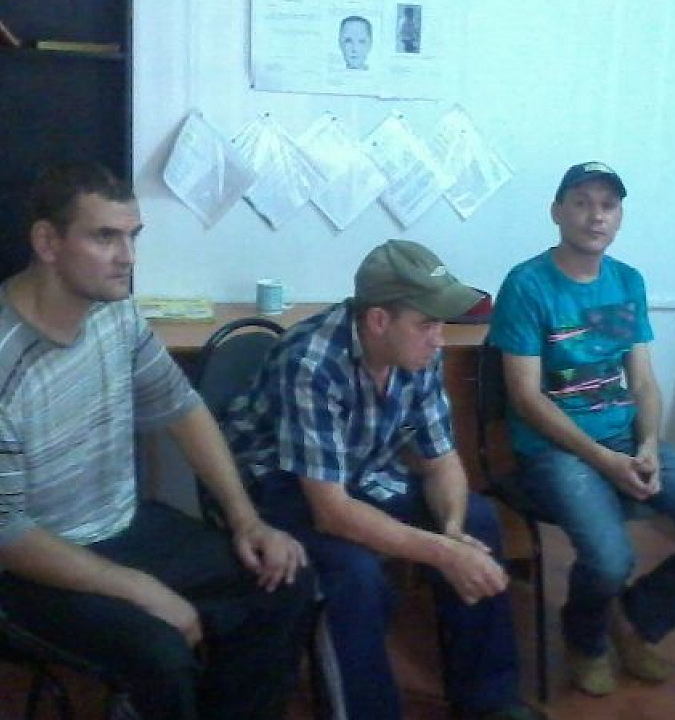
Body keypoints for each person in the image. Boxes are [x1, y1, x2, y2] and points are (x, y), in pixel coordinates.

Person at [0, 162, 316, 720]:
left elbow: (183, 408)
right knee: (160, 649)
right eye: (105, 237)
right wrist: (139, 589)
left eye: (133, 236)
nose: (127, 257)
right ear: (47, 242)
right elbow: (2, 538)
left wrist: (246, 519)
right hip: (2, 571)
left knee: (284, 580)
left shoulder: (115, 314)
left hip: (114, 527)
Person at [224, 240, 545, 720]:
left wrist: (451, 531)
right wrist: (442, 552)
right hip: (282, 487)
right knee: (354, 574)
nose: (438, 339)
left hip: (359, 470)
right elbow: (331, 512)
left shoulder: (418, 353)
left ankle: (488, 701)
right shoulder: (311, 361)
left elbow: (441, 461)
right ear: (378, 320)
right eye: (427, 324)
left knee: (476, 521)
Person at [487, 162, 675, 696]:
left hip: (625, 441)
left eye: (608, 205)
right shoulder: (527, 284)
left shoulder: (626, 281)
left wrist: (649, 444)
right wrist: (604, 460)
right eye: (582, 202)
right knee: (611, 559)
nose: (596, 216)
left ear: (619, 216)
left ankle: (634, 619)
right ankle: (585, 638)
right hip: (554, 451)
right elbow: (525, 396)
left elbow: (643, 383)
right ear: (557, 211)